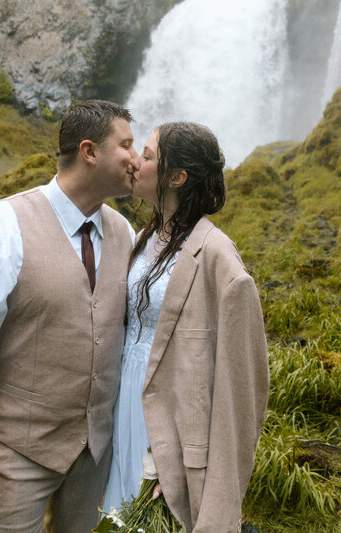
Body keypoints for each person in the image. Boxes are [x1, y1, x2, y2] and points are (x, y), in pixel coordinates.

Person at [0, 100, 138, 533]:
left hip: (96, 454)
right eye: (126, 145)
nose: (136, 159)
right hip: (16, 456)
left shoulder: (124, 232)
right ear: (89, 151)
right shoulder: (0, 225)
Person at [103, 122, 269, 532]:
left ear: (176, 177)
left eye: (147, 156)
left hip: (171, 418)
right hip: (124, 403)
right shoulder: (144, 237)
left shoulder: (218, 258)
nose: (134, 162)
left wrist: (208, 474)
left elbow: (243, 389)